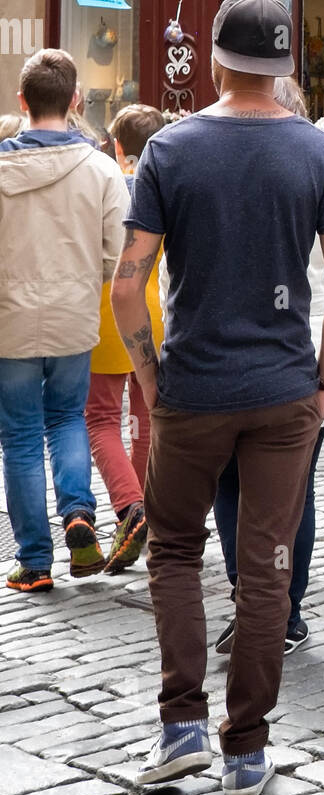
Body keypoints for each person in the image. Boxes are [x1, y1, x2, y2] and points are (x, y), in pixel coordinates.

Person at [112, 0, 324, 795]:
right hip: (285, 389)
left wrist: (149, 377)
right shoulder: (318, 152)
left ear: (215, 61)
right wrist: (323, 384)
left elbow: (127, 285)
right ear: (287, 65)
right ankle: (247, 751)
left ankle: (181, 726)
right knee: (267, 570)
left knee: (178, 552)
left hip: (193, 386)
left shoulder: (170, 150)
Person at [211, 77, 324, 656]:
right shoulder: (321, 169)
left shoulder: (212, 167)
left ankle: (250, 599)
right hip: (304, 364)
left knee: (232, 484)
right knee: (291, 493)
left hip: (226, 360)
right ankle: (283, 611)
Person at [0, 49, 129, 591]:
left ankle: (35, 561)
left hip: (10, 318)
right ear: (76, 101)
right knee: (67, 419)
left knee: (22, 436)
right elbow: (116, 253)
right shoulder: (100, 168)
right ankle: (79, 513)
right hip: (74, 314)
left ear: (22, 101)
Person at [85, 104, 166, 574]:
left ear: (118, 147)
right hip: (153, 315)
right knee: (146, 420)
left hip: (106, 311)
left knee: (99, 418)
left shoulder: (107, 184)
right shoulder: (161, 188)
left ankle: (129, 506)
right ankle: (144, 516)